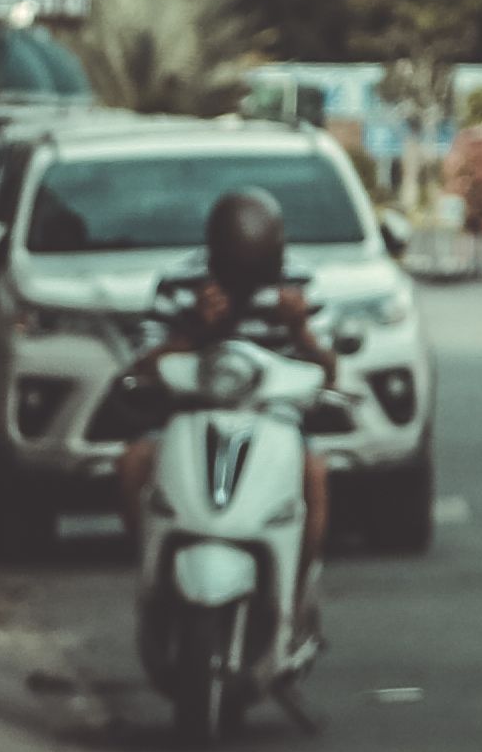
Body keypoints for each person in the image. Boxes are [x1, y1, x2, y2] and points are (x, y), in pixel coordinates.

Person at [116, 185, 339, 553]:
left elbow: (329, 372)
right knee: (133, 465)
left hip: (273, 419)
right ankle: (154, 568)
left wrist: (300, 330)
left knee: (313, 473)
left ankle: (294, 589)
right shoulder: (180, 281)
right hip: (190, 415)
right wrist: (198, 330)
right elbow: (144, 365)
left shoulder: (299, 283)